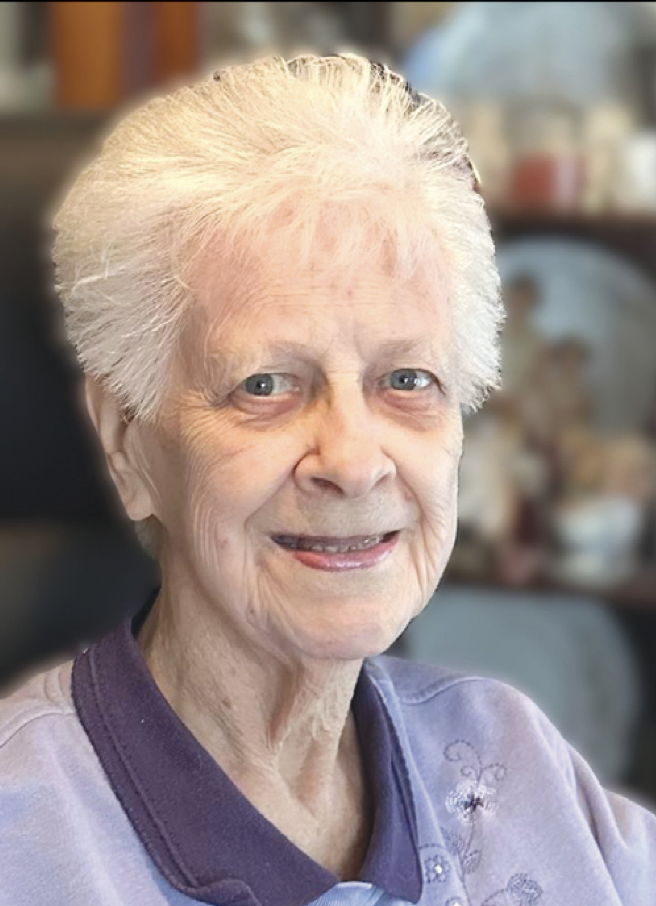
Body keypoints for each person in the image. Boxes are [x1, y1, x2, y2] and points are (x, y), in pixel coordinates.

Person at [0, 52, 654, 906]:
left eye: (407, 380)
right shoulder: (25, 839)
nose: (353, 461)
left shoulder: (514, 757)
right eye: (266, 385)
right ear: (127, 441)